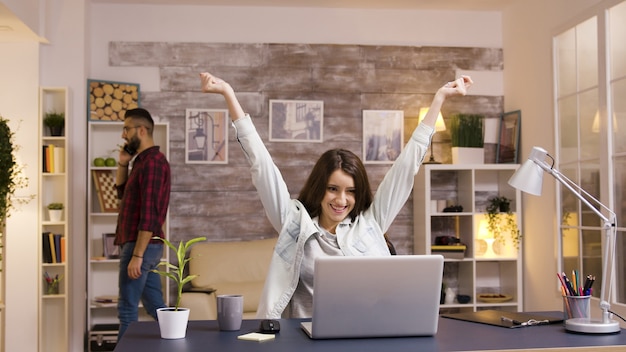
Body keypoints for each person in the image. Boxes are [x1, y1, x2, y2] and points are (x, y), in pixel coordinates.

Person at [199, 71, 472, 319]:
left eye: (351, 192)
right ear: (320, 188)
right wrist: (229, 94)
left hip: (363, 334)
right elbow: (261, 166)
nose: (341, 200)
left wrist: (439, 99)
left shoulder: (370, 224)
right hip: (302, 339)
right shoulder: (294, 224)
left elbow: (406, 167)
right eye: (333, 189)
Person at [114, 107, 171, 339]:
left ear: (141, 130)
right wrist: (123, 163)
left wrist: (137, 255)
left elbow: (149, 213)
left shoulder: (153, 163)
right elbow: (120, 193)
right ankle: (181, 343)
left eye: (126, 129)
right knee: (157, 308)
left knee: (127, 308)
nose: (123, 135)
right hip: (144, 245)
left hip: (141, 246)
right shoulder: (142, 162)